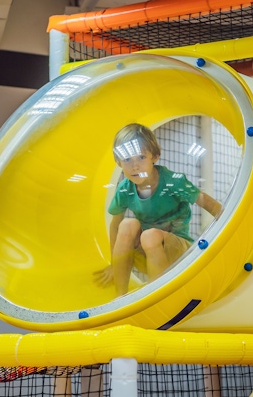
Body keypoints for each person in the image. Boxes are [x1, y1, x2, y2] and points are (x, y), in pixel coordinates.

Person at [95, 123, 222, 296]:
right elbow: (115, 226)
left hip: (180, 253)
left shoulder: (173, 182)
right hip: (148, 254)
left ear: (154, 156)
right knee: (127, 224)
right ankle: (119, 297)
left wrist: (222, 241)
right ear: (118, 162)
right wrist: (113, 265)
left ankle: (157, 296)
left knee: (149, 235)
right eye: (127, 159)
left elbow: (213, 206)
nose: (134, 166)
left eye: (140, 157)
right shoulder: (125, 189)